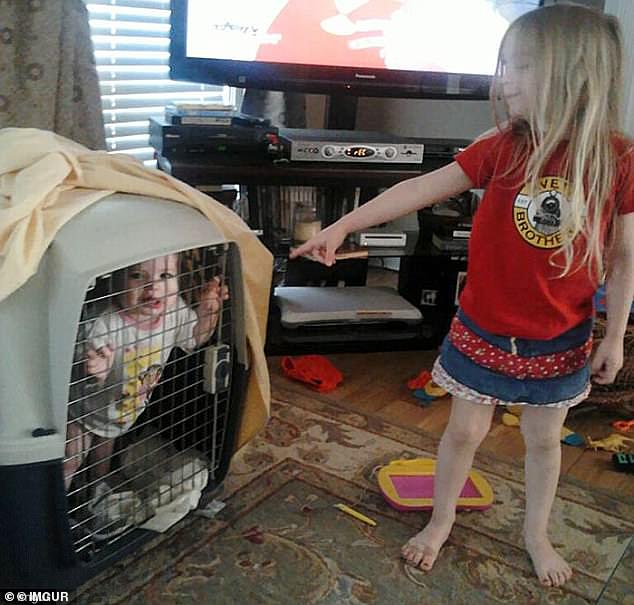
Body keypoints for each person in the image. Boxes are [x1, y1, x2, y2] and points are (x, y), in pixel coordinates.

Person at [290, 4, 634, 588]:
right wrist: (344, 225)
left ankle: (535, 533)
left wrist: (617, 336)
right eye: (505, 66)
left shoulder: (619, 159)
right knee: (465, 432)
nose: (504, 80)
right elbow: (420, 188)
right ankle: (440, 520)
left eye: (520, 67)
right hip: (483, 329)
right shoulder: (500, 147)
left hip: (561, 336)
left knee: (543, 440)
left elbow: (625, 258)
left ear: (572, 75)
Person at [64, 253, 229, 492]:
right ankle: (56, 511)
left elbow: (195, 339)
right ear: (116, 282)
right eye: (138, 276)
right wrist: (95, 369)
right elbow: (80, 364)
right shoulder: (105, 322)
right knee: (70, 460)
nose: (154, 287)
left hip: (120, 412)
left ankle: (95, 491)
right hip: (83, 412)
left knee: (105, 448)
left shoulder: (174, 312)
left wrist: (208, 313)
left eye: (165, 276)